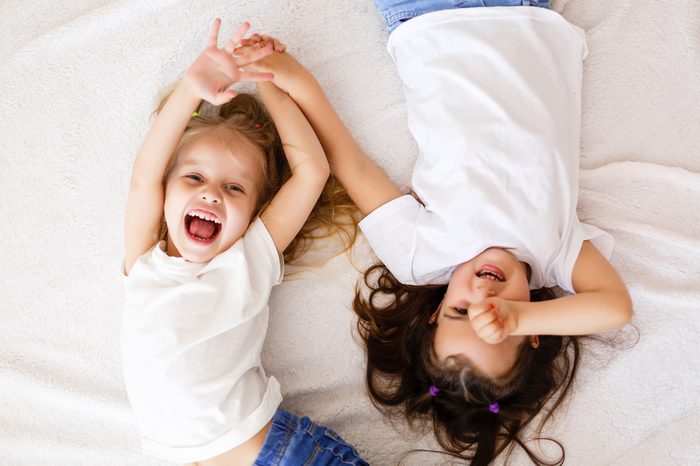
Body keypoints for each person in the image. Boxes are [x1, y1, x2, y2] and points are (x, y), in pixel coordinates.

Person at [238, 1, 633, 464]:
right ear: (533, 334)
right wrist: (519, 317)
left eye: (461, 310)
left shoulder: (421, 260)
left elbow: (353, 164)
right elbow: (615, 309)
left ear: (434, 313)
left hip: (429, 16)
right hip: (525, 11)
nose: (485, 295)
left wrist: (289, 83)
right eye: (498, 321)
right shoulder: (555, 254)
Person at [121, 19, 367, 465]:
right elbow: (143, 177)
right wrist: (191, 90)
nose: (211, 193)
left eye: (234, 188)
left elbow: (312, 170)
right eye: (193, 177)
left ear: (254, 213)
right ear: (166, 193)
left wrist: (267, 79)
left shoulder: (248, 257)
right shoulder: (144, 264)